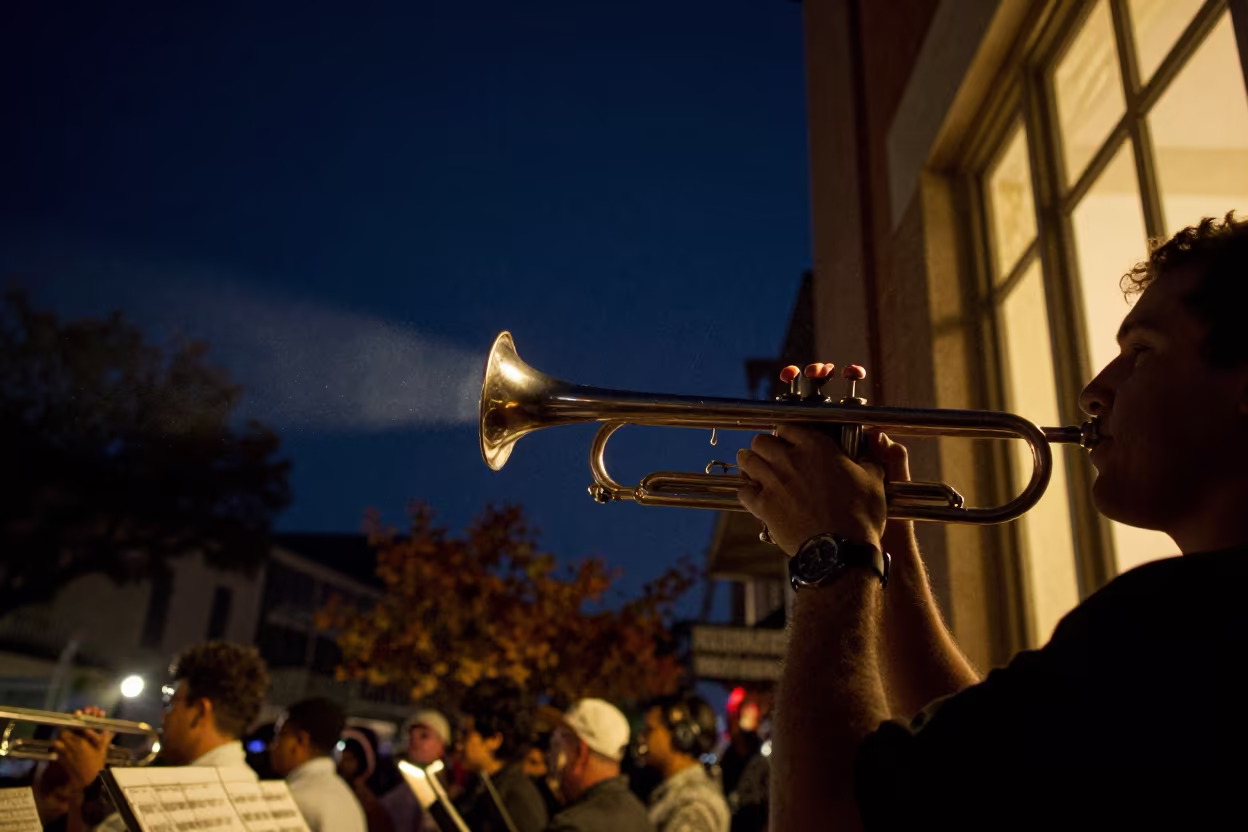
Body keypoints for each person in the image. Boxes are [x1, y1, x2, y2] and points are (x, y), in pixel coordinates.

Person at [735, 212, 1248, 829]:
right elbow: (977, 767)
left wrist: (831, 554)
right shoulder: (1189, 633)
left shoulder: (1173, 624)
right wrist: (882, 532)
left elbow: (827, 818)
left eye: (1142, 352)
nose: (1093, 390)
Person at [45, 641, 269, 831]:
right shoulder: (251, 787)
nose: (164, 716)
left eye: (171, 702)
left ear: (199, 712)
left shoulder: (183, 795)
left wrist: (88, 784)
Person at [453, 678, 549, 832]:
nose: (458, 743)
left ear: (493, 740)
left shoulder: (516, 801)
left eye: (466, 734)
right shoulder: (480, 785)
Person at [543, 698, 653, 832]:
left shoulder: (573, 826)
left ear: (580, 753)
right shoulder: (639, 815)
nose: (549, 755)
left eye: (559, 742)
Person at [268, 696, 367, 832]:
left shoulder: (295, 800)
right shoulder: (347, 797)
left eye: (279, 736)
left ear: (301, 740)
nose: (273, 746)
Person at [638, 693, 729, 832]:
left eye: (650, 730)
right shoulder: (677, 792)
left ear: (682, 735)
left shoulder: (695, 803)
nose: (642, 737)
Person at [380, 708, 453, 832]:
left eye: (424, 736)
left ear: (442, 743)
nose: (415, 740)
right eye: (411, 735)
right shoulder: (394, 780)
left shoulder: (452, 788)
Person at [339, 725, 400, 832]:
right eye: (342, 757)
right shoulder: (338, 787)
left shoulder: (370, 801)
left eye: (349, 759)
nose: (343, 764)